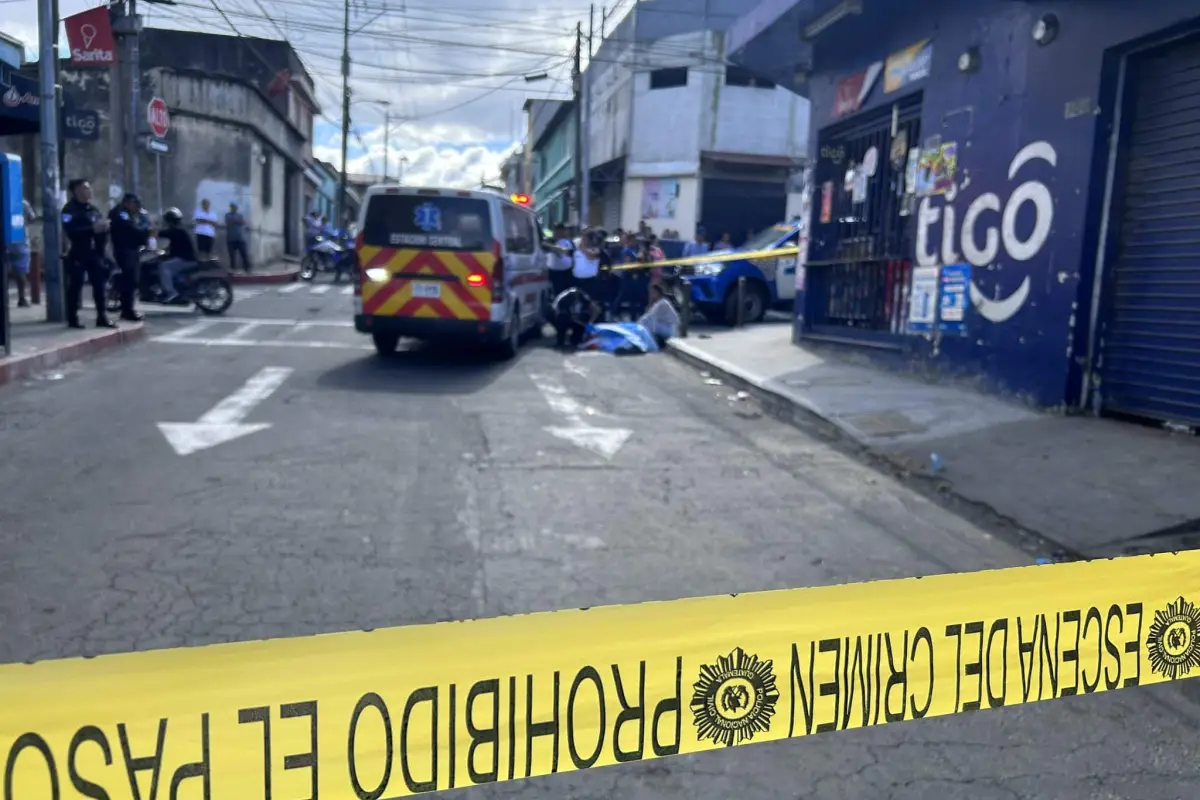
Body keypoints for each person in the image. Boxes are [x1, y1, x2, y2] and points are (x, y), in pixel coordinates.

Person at [61, 178, 114, 329]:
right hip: (78, 252)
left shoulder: (92, 209)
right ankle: (72, 318)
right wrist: (92, 230)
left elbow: (99, 228)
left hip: (94, 253)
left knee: (99, 284)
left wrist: (104, 230)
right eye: (85, 188)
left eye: (88, 188)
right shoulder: (69, 210)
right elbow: (70, 231)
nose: (88, 191)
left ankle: (102, 316)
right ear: (76, 190)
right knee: (75, 285)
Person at [107, 193, 152, 321]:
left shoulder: (126, 214)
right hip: (124, 250)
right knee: (129, 281)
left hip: (130, 250)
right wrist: (146, 232)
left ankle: (128, 308)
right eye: (134, 204)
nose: (136, 207)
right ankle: (127, 310)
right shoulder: (120, 214)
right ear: (128, 203)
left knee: (132, 281)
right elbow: (131, 230)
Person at [157, 207, 197, 303]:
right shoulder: (180, 231)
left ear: (170, 221)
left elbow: (162, 234)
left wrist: (151, 232)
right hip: (186, 259)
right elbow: (175, 246)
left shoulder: (176, 230)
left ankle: (171, 292)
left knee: (164, 266)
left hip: (186, 260)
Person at [551, 284, 600, 350]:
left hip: (574, 316)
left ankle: (575, 340)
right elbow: (570, 317)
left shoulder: (582, 297)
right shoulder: (564, 300)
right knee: (563, 321)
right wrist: (582, 323)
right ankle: (560, 340)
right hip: (560, 317)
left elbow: (595, 309)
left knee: (584, 320)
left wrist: (590, 322)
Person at [6, 199, 35, 308]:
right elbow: (32, 218)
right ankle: (22, 298)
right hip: (20, 239)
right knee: (21, 271)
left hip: (5, 239)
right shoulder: (23, 203)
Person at [639, 282, 680, 349]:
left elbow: (652, 317)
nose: (652, 295)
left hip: (668, 329)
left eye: (653, 292)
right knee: (644, 321)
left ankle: (652, 340)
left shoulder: (663, 303)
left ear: (658, 292)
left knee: (645, 322)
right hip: (665, 327)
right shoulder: (658, 303)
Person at [571, 227, 603, 306]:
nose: (582, 240)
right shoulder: (577, 251)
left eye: (584, 238)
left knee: (590, 302)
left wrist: (583, 248)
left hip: (590, 281)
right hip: (577, 280)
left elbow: (590, 256)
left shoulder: (595, 250)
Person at [547, 224, 574, 294]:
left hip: (566, 272)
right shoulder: (549, 241)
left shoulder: (569, 242)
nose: (558, 233)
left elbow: (572, 253)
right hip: (553, 272)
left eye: (561, 231)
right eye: (556, 230)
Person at [225, 202, 250, 273]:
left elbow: (244, 222)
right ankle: (233, 269)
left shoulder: (240, 215)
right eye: (232, 207)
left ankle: (247, 268)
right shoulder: (227, 215)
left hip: (240, 238)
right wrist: (239, 222)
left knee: (244, 254)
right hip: (231, 238)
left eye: (235, 207)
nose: (233, 208)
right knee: (232, 255)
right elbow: (230, 222)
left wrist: (239, 222)